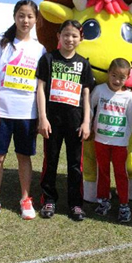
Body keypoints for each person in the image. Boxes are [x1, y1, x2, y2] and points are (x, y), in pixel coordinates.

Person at [0, 0, 46, 223]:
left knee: (24, 157)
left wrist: (40, 115)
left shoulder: (40, 49)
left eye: (30, 16)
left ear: (36, 19)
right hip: (2, 111)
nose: (25, 20)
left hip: (27, 114)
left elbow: (40, 85)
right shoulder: (1, 43)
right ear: (14, 17)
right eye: (21, 15)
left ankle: (25, 199)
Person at [37, 20, 94, 221]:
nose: (70, 39)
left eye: (74, 36)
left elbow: (86, 95)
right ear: (59, 36)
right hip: (52, 122)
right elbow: (40, 90)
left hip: (76, 123)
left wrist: (87, 122)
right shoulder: (48, 59)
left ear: (81, 38)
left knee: (75, 165)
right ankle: (49, 200)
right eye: (66, 35)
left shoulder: (84, 63)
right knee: (50, 162)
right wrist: (42, 118)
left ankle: (76, 204)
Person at [91, 58, 132, 223]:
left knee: (120, 173)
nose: (117, 80)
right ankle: (103, 201)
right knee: (102, 171)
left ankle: (124, 205)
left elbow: (130, 120)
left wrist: (125, 139)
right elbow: (89, 105)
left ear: (127, 77)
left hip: (119, 143)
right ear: (108, 73)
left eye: (121, 77)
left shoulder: (128, 97)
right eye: (114, 75)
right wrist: (88, 124)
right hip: (100, 140)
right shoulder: (100, 90)